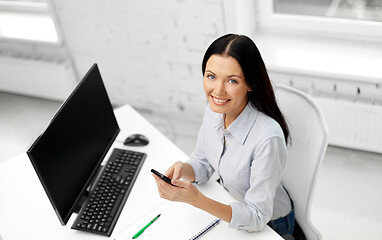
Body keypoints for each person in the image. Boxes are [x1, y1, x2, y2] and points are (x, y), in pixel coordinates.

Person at [152, 33, 295, 238]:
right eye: (211, 76)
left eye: (232, 81)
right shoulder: (213, 112)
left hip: (271, 226)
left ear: (250, 84)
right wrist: (182, 169)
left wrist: (197, 200)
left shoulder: (267, 138)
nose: (217, 91)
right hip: (233, 205)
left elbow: (256, 217)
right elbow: (204, 161)